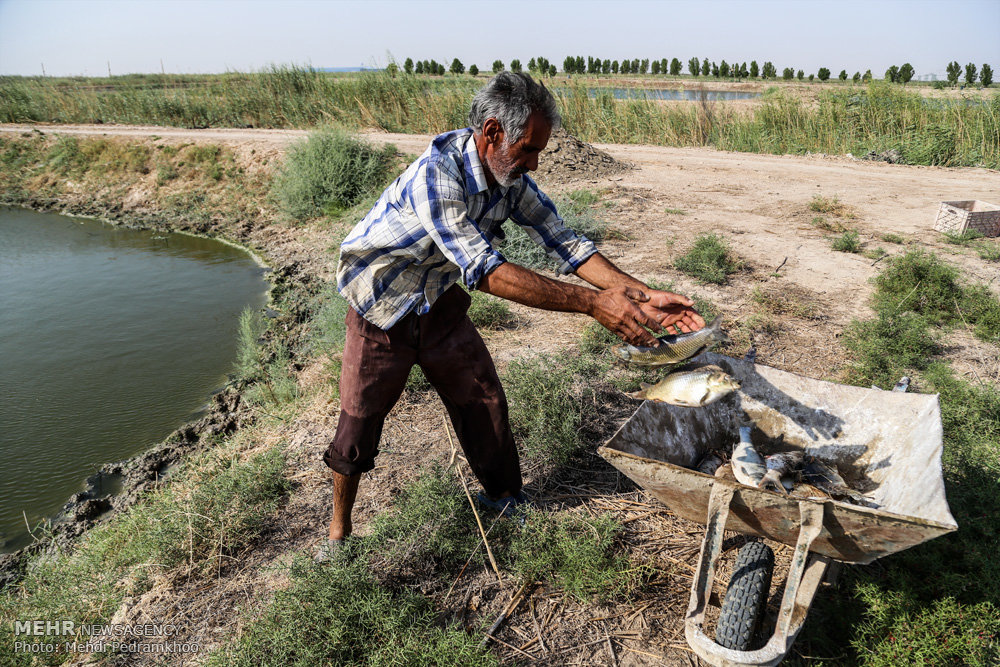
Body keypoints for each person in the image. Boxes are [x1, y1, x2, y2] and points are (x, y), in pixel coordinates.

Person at [319, 72, 703, 555]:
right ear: (493, 132)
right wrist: (592, 304)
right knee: (360, 420)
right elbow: (485, 271)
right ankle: (338, 534)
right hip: (381, 303)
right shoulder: (436, 175)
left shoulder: (509, 178)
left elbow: (564, 241)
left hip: (437, 297)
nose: (534, 163)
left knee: (482, 398)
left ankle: (503, 499)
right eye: (528, 149)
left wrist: (642, 297)